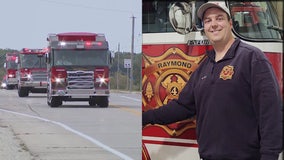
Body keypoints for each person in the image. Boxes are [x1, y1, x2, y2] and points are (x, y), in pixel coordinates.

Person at [142, 1, 283, 160]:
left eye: (219, 18)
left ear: (230, 23)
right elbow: (183, 107)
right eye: (208, 21)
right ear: (204, 27)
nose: (214, 24)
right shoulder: (205, 67)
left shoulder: (252, 58)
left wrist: (270, 156)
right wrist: (146, 118)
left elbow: (271, 113)